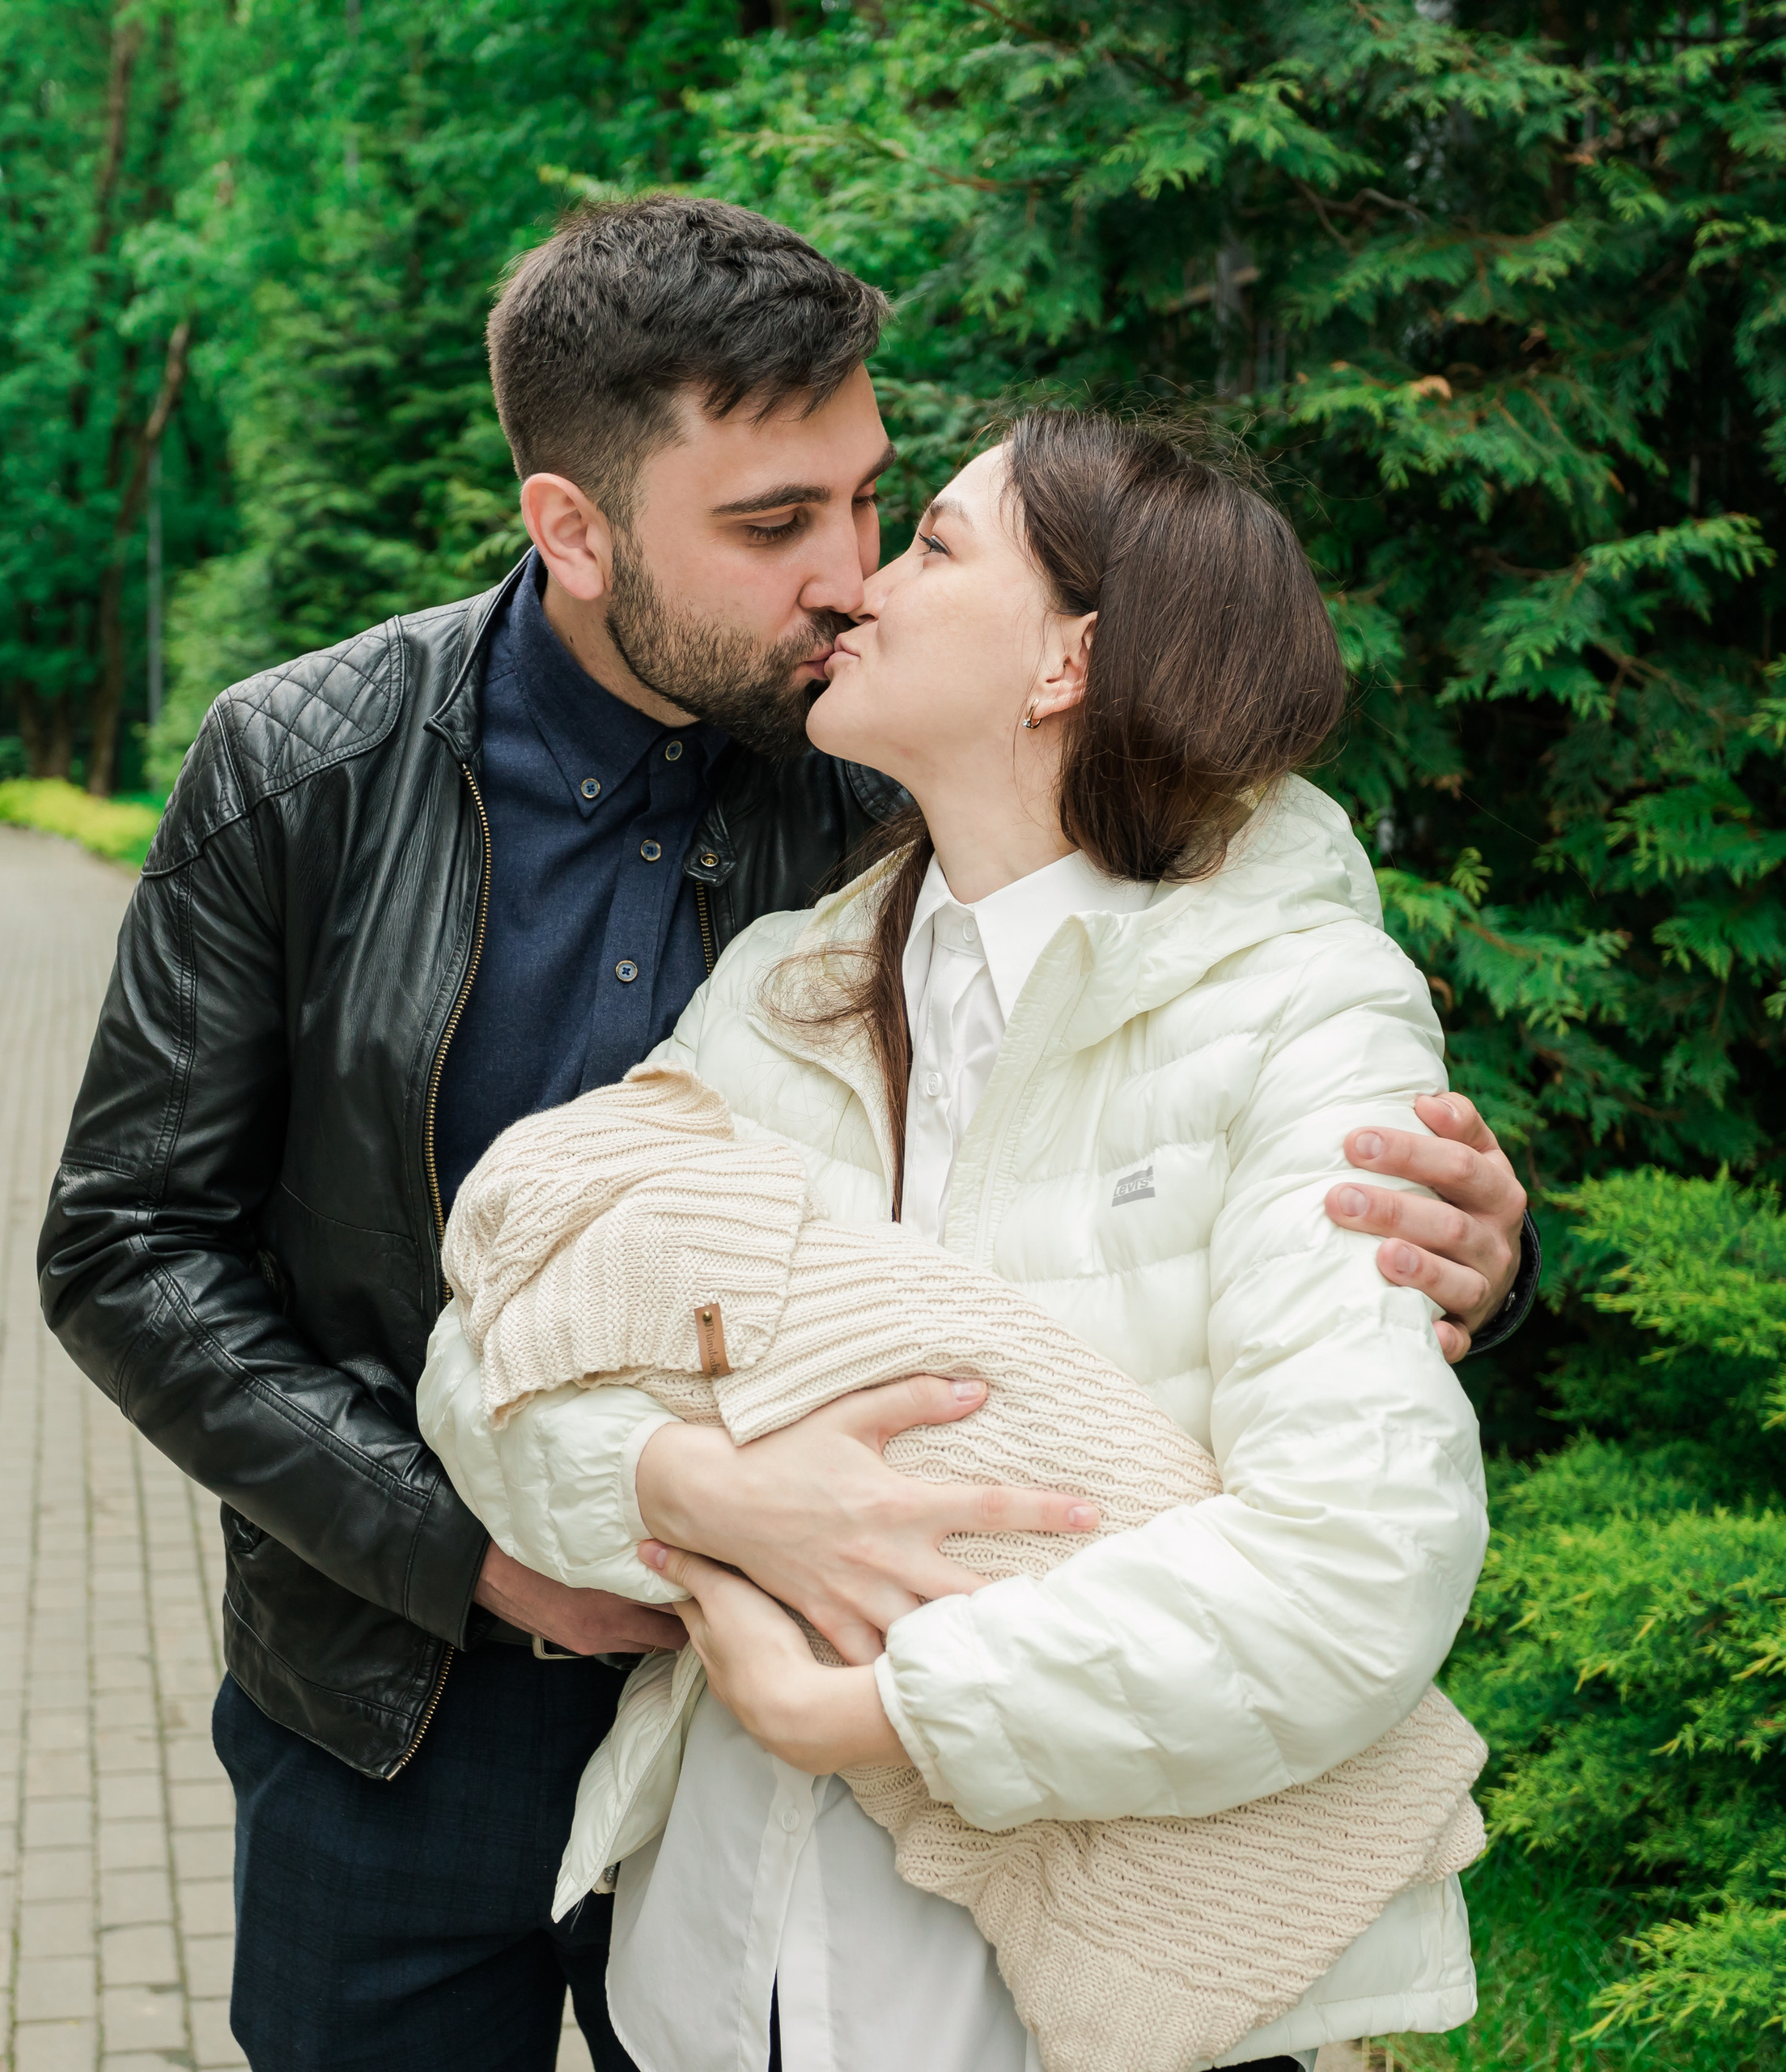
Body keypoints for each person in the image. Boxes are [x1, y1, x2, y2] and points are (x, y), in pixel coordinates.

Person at [37, 199, 1534, 2072]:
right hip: (405, 1704)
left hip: (791, 1779)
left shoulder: (899, 768)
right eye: (771, 527)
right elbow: (124, 1246)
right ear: (572, 529)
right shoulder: (306, 769)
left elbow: (1190, 981)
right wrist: (476, 1547)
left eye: (871, 501)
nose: (843, 575)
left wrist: (1459, 1236)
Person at [423, 409, 1493, 2072]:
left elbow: (1356, 1561)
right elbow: (491, 1344)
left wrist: (869, 1708)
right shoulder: (779, 986)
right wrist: (684, 1490)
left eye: (927, 542)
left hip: (1062, 2013)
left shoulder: (1297, 1015)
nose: (854, 588)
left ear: (1068, 659)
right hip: (705, 1981)